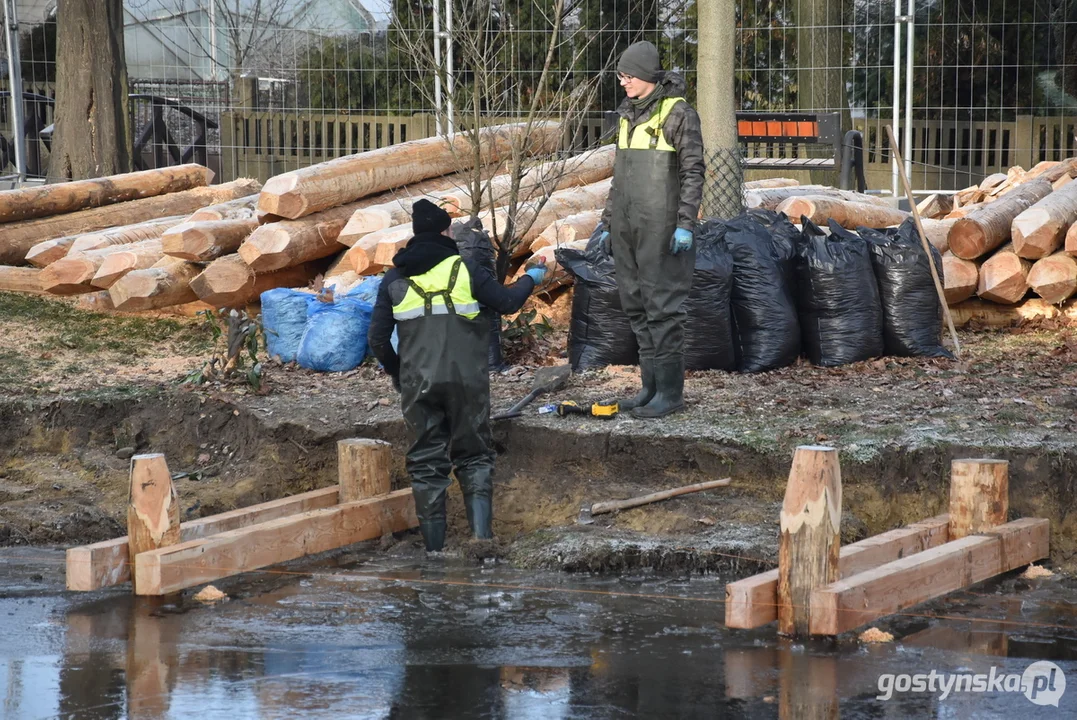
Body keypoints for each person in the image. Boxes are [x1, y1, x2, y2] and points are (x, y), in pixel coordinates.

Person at [368, 199, 547, 552]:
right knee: (475, 455)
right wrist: (532, 277)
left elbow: (376, 338)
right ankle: (481, 540)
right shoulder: (465, 268)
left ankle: (434, 554)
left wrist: (398, 372)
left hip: (418, 383)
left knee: (426, 463)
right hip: (468, 382)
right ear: (446, 231)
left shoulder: (394, 277)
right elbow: (508, 303)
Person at [599, 40, 705, 419]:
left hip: (662, 229)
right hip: (627, 226)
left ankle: (670, 393)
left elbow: (693, 172)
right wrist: (606, 223)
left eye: (627, 75)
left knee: (663, 309)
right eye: (620, 76)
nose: (622, 82)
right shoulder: (627, 115)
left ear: (645, 75)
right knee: (636, 305)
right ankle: (649, 388)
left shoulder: (679, 114)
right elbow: (618, 178)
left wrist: (685, 225)